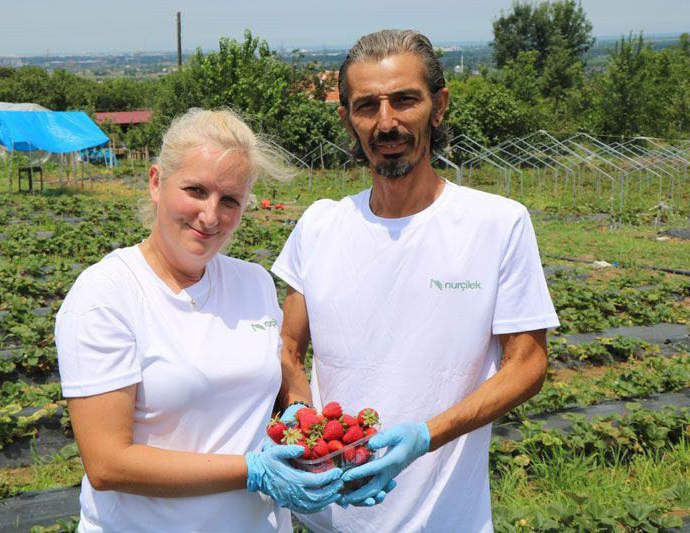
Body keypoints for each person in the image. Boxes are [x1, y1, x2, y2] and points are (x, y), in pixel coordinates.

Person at [271, 30, 560, 532]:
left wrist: (426, 435)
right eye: (367, 106)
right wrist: (304, 419)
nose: (387, 122)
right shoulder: (320, 225)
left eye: (405, 100)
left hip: (446, 520)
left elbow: (528, 363)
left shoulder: (497, 224)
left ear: (439, 106)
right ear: (347, 119)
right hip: (326, 520)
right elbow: (287, 348)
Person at [55, 108, 345, 533]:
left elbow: (283, 365)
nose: (211, 216)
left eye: (230, 200)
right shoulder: (107, 296)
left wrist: (307, 429)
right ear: (156, 182)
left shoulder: (253, 283)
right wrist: (253, 471)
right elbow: (108, 464)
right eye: (195, 190)